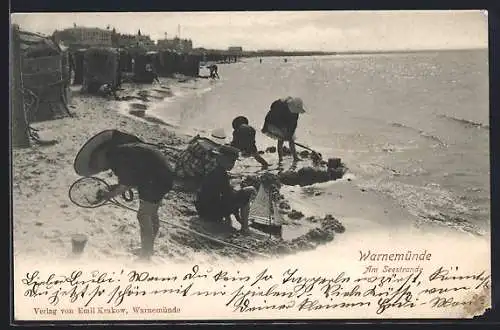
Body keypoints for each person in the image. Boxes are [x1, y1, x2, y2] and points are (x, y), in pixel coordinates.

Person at [75, 130, 175, 260]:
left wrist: (109, 195)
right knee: (151, 214)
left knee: (144, 215)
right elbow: (132, 177)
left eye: (98, 164)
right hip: (162, 173)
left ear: (102, 155)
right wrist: (114, 189)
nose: (100, 168)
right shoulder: (119, 152)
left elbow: (126, 183)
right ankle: (148, 248)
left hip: (156, 179)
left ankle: (145, 255)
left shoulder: (118, 158)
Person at [194, 144, 257, 235]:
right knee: (247, 193)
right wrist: (244, 191)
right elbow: (228, 197)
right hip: (210, 214)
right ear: (221, 158)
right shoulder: (220, 174)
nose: (232, 164)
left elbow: (223, 194)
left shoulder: (213, 169)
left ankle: (238, 222)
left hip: (202, 209)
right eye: (230, 161)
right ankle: (245, 228)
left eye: (234, 161)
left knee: (233, 194)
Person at [261, 96, 306, 163]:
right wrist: (283, 130)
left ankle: (295, 157)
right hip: (272, 124)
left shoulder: (295, 113)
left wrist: (290, 135)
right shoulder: (280, 106)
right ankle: (280, 158)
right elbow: (273, 118)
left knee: (291, 139)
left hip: (285, 125)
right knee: (281, 139)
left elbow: (293, 125)